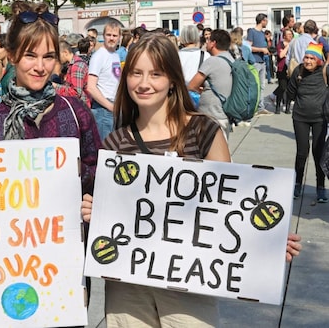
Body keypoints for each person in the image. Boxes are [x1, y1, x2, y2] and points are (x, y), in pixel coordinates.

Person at [81, 33, 302, 327]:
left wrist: (266, 239)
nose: (144, 83)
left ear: (173, 79)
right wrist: (93, 214)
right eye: (136, 73)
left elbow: (230, 206)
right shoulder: (115, 144)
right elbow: (107, 222)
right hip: (127, 289)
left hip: (188, 286)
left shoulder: (203, 131)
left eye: (156, 74)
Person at [0, 0, 101, 308]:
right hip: (7, 263)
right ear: (13, 56)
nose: (40, 66)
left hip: (64, 259)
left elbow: (98, 168)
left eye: (48, 57)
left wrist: (89, 194)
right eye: (30, 55)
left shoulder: (75, 111)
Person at [286, 43, 328, 202]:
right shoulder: (299, 71)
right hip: (300, 117)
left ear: (319, 60)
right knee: (302, 152)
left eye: (312, 58)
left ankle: (320, 187)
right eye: (306, 57)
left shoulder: (325, 72)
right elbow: (290, 94)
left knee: (318, 153)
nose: (308, 60)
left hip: (320, 118)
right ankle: (297, 184)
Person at [187, 29, 234, 137]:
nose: (206, 42)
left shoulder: (212, 61)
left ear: (213, 43)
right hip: (226, 114)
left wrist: (200, 90)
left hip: (211, 115)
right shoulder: (231, 59)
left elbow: (192, 85)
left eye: (208, 40)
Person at [88, 21, 122, 140]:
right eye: (108, 35)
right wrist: (109, 106)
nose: (111, 38)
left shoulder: (115, 55)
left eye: (114, 35)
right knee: (104, 150)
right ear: (103, 36)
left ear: (119, 37)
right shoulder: (99, 56)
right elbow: (91, 86)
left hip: (114, 107)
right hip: (103, 109)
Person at [247, 13, 272, 115]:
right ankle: (252, 107)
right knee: (254, 86)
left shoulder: (262, 34)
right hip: (255, 62)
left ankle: (260, 107)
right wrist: (261, 49)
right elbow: (249, 47)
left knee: (261, 85)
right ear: (262, 21)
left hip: (262, 62)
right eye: (266, 20)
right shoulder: (252, 32)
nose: (267, 22)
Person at [54, 39, 89, 106]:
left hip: (80, 107)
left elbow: (75, 93)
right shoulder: (72, 65)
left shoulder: (77, 66)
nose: (57, 58)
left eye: (58, 55)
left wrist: (55, 86)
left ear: (65, 52)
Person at [275, 28, 294, 114]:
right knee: (282, 87)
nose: (290, 36)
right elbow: (281, 55)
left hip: (291, 68)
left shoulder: (294, 44)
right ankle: (278, 105)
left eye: (291, 34)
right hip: (282, 69)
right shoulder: (280, 44)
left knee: (290, 89)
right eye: (288, 34)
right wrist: (287, 46)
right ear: (284, 36)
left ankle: (287, 107)